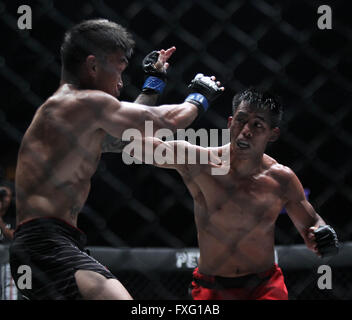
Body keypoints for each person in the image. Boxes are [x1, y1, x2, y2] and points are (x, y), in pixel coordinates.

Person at [9, 18, 224, 300]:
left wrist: (154, 82)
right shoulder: (79, 102)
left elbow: (127, 135)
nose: (121, 83)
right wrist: (200, 95)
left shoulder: (73, 113)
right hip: (46, 242)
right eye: (119, 67)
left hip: (53, 241)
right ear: (94, 65)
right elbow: (164, 120)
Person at [129, 88, 339, 300]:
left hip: (264, 287)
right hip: (211, 286)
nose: (246, 130)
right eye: (241, 120)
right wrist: (153, 86)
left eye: (257, 124)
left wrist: (320, 234)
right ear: (230, 122)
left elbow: (311, 222)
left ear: (272, 133)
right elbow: (133, 145)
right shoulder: (198, 162)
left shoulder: (281, 179)